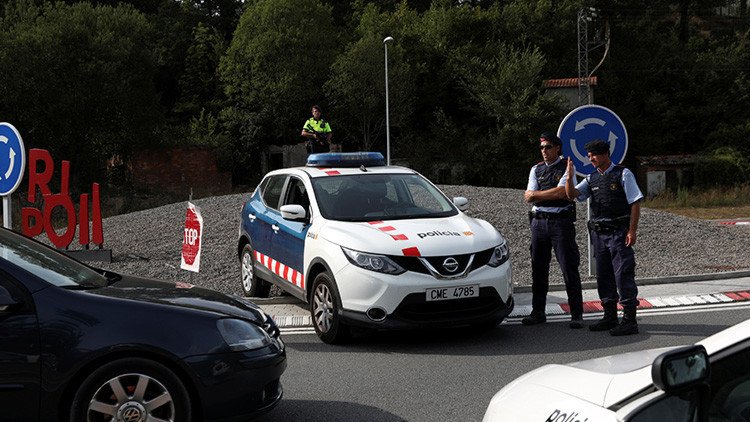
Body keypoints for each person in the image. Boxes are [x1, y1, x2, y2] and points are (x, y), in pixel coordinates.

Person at [565, 139, 644, 336]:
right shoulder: (591, 178)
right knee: (604, 276)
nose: (590, 158)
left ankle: (629, 320)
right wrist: (569, 177)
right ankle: (610, 316)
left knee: (622, 274)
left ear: (605, 154)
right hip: (599, 235)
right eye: (589, 155)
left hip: (618, 233)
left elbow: (635, 203)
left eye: (593, 155)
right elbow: (572, 195)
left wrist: (632, 231)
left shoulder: (623, 174)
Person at [522, 132, 584, 329]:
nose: (544, 151)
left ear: (557, 148)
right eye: (541, 148)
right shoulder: (536, 169)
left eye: (548, 147)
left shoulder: (567, 167)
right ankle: (538, 312)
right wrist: (544, 195)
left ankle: (576, 314)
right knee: (538, 269)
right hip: (539, 223)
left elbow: (563, 192)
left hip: (560, 223)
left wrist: (538, 195)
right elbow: (528, 197)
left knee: (569, 268)